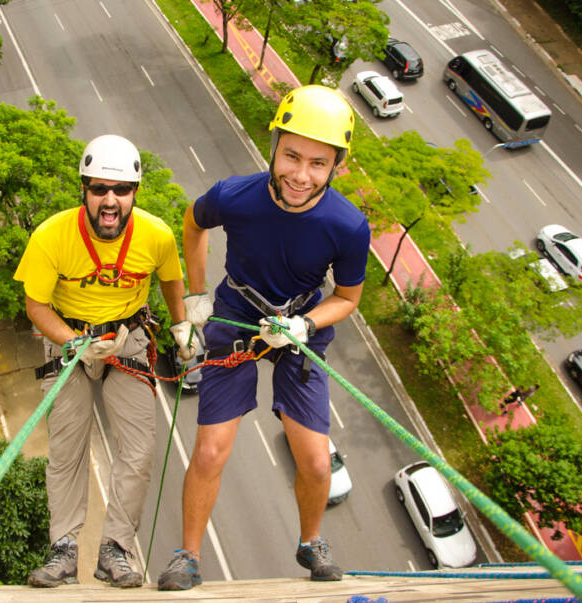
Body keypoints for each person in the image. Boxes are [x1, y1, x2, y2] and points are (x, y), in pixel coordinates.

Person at [157, 85, 371, 590]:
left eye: (319, 163)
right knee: (210, 450)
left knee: (317, 461)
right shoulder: (237, 196)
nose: (301, 174)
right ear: (273, 144)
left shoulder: (347, 225)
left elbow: (347, 297)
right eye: (292, 155)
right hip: (236, 315)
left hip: (300, 326)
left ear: (336, 166)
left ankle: (311, 542)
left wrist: (306, 325)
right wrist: (196, 296)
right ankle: (187, 555)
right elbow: (193, 223)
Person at [14, 134, 196, 588]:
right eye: (98, 189)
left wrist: (182, 327)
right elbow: (35, 304)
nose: (109, 201)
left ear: (135, 192)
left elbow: (172, 281)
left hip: (128, 339)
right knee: (67, 448)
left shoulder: (156, 236)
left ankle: (115, 548)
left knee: (138, 450)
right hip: (69, 341)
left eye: (120, 190)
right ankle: (64, 549)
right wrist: (71, 341)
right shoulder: (51, 236)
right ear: (85, 191)